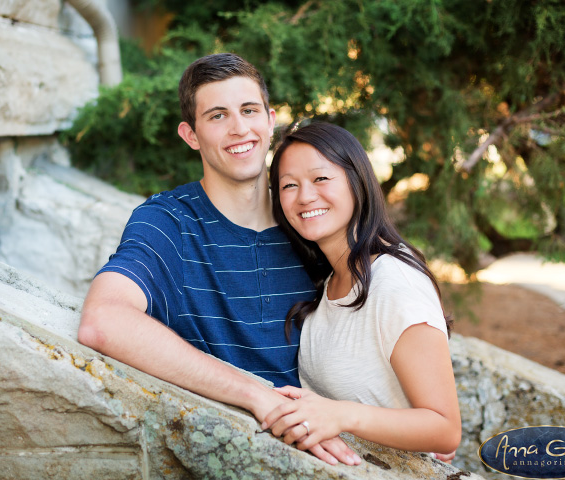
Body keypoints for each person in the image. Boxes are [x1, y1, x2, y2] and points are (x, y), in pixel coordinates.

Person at [77, 54, 360, 466]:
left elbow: (378, 304)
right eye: (217, 116)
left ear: (270, 120)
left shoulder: (309, 217)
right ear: (190, 135)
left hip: (338, 444)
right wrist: (256, 395)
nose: (239, 128)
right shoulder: (168, 221)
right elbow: (102, 321)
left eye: (249, 111)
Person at [261, 122, 461, 461]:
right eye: (289, 185)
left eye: (321, 178)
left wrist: (341, 414)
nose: (305, 196)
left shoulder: (395, 282)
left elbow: (445, 431)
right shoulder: (327, 282)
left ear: (357, 181)